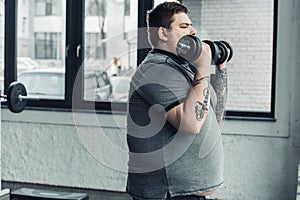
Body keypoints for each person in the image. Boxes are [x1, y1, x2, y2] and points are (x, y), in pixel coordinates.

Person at [126, 1, 228, 200]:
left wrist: (220, 68)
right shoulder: (157, 70)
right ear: (163, 33)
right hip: (168, 194)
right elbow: (190, 124)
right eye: (184, 26)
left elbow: (213, 117)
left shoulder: (184, 68)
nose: (193, 31)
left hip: (185, 193)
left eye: (191, 25)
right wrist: (203, 68)